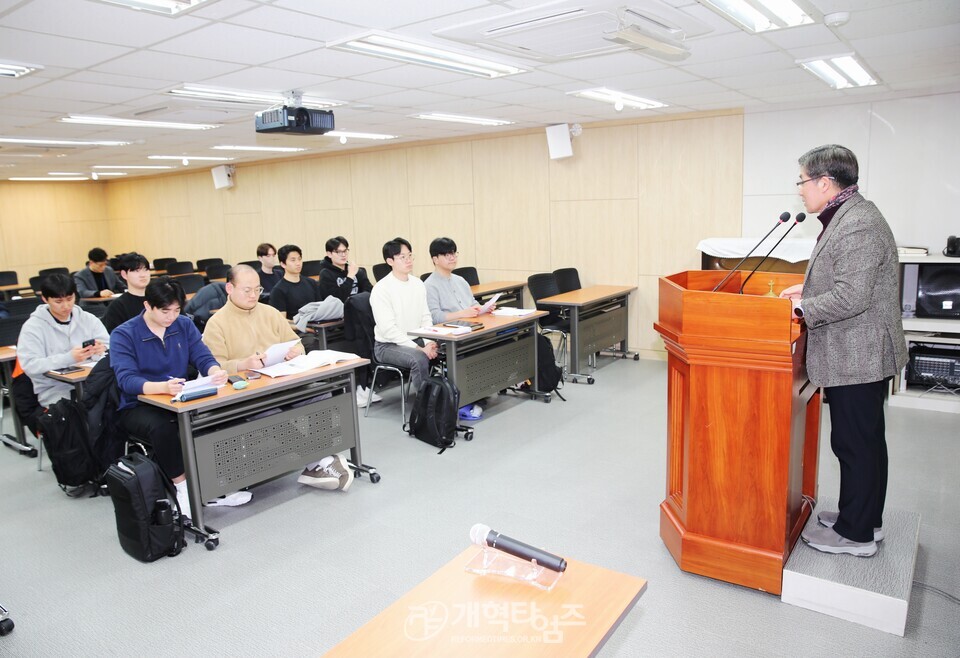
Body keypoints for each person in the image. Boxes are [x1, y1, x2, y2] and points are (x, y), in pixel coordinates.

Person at [780, 144, 907, 558]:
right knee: (862, 441)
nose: (799, 190)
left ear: (823, 182)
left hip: (860, 352)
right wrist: (809, 288)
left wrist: (803, 306)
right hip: (856, 349)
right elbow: (846, 278)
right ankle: (865, 518)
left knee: (857, 443)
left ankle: (856, 536)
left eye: (802, 181)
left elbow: (853, 297)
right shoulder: (847, 216)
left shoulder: (858, 225)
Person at [201, 265, 353, 491]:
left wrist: (295, 352)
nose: (254, 295)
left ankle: (319, 459)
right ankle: (317, 460)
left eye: (257, 289)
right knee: (271, 414)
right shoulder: (217, 324)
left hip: (280, 379)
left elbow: (296, 343)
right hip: (248, 391)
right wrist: (243, 364)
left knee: (320, 395)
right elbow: (214, 367)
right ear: (229, 288)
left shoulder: (269, 312)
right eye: (247, 290)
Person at [111, 277, 249, 516]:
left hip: (180, 397)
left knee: (222, 417)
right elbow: (127, 380)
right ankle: (182, 489)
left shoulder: (183, 325)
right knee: (164, 428)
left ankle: (216, 484)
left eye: (176, 310)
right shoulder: (124, 334)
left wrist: (215, 371)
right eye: (165, 311)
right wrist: (162, 387)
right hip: (140, 404)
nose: (171, 317)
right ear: (147, 306)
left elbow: (202, 356)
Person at [424, 237, 492, 420]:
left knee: (498, 341)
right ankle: (468, 396)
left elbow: (472, 303)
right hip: (450, 337)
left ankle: (483, 389)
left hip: (471, 329)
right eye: (446, 254)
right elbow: (434, 317)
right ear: (435, 259)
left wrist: (482, 308)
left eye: (454, 253)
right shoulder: (429, 285)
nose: (452, 257)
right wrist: (464, 313)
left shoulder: (460, 280)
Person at [17, 273, 108, 407]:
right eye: (58, 301)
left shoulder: (88, 318)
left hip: (94, 382)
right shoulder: (33, 327)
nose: (66, 306)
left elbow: (109, 345)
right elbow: (30, 365)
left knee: (117, 405)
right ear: (45, 299)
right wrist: (68, 358)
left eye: (70, 299)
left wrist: (103, 348)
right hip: (56, 390)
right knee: (82, 414)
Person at [370, 238, 438, 395]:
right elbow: (388, 330)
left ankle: (452, 400)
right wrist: (420, 348)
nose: (408, 260)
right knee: (419, 358)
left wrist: (429, 342)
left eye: (410, 256)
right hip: (388, 345)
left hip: (416, 338)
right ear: (390, 261)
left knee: (448, 347)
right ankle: (426, 408)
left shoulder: (418, 283)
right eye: (402, 257)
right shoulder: (382, 289)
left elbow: (425, 316)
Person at [269, 244, 324, 320]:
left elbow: (320, 308)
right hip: (297, 329)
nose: (298, 263)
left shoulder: (312, 283)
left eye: (299, 259)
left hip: (316, 324)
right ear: (283, 264)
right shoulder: (278, 290)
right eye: (293, 260)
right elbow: (282, 322)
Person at [101, 252, 151, 332]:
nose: (143, 275)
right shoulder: (118, 306)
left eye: (145, 270)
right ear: (124, 274)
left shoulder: (158, 298)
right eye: (136, 271)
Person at [318, 236, 373, 303]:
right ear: (329, 254)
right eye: (339, 252)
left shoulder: (355, 270)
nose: (343, 255)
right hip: (340, 311)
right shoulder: (326, 274)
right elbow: (335, 300)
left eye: (345, 251)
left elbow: (370, 292)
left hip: (359, 308)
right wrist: (350, 277)